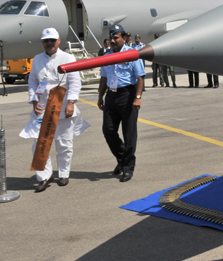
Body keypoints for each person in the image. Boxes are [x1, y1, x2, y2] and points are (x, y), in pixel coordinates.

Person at [20, 28, 90, 192]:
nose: (49, 43)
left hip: (63, 106)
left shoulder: (68, 58)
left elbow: (75, 82)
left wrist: (71, 102)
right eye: (46, 40)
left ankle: (64, 174)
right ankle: (44, 176)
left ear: (58, 41)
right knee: (39, 143)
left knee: (64, 143)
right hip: (43, 108)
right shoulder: (37, 59)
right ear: (42, 42)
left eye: (52, 40)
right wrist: (34, 101)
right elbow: (32, 82)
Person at [97, 23, 145, 182]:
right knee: (108, 130)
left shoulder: (132, 54)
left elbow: (140, 77)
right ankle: (122, 158)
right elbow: (104, 77)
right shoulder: (106, 56)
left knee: (129, 133)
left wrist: (138, 97)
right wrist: (100, 96)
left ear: (124, 38)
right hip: (111, 95)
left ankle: (128, 167)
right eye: (111, 38)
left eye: (116, 37)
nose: (112, 40)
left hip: (128, 94)